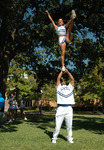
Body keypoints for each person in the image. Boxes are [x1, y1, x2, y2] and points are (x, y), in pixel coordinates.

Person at [52, 68, 75, 144]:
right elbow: (58, 79)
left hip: (69, 108)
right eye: (62, 82)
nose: (63, 82)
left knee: (69, 126)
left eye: (64, 82)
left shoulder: (69, 87)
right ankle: (54, 138)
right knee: (58, 125)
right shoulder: (59, 88)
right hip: (60, 108)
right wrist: (61, 72)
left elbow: (72, 79)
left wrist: (67, 72)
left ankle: (69, 138)